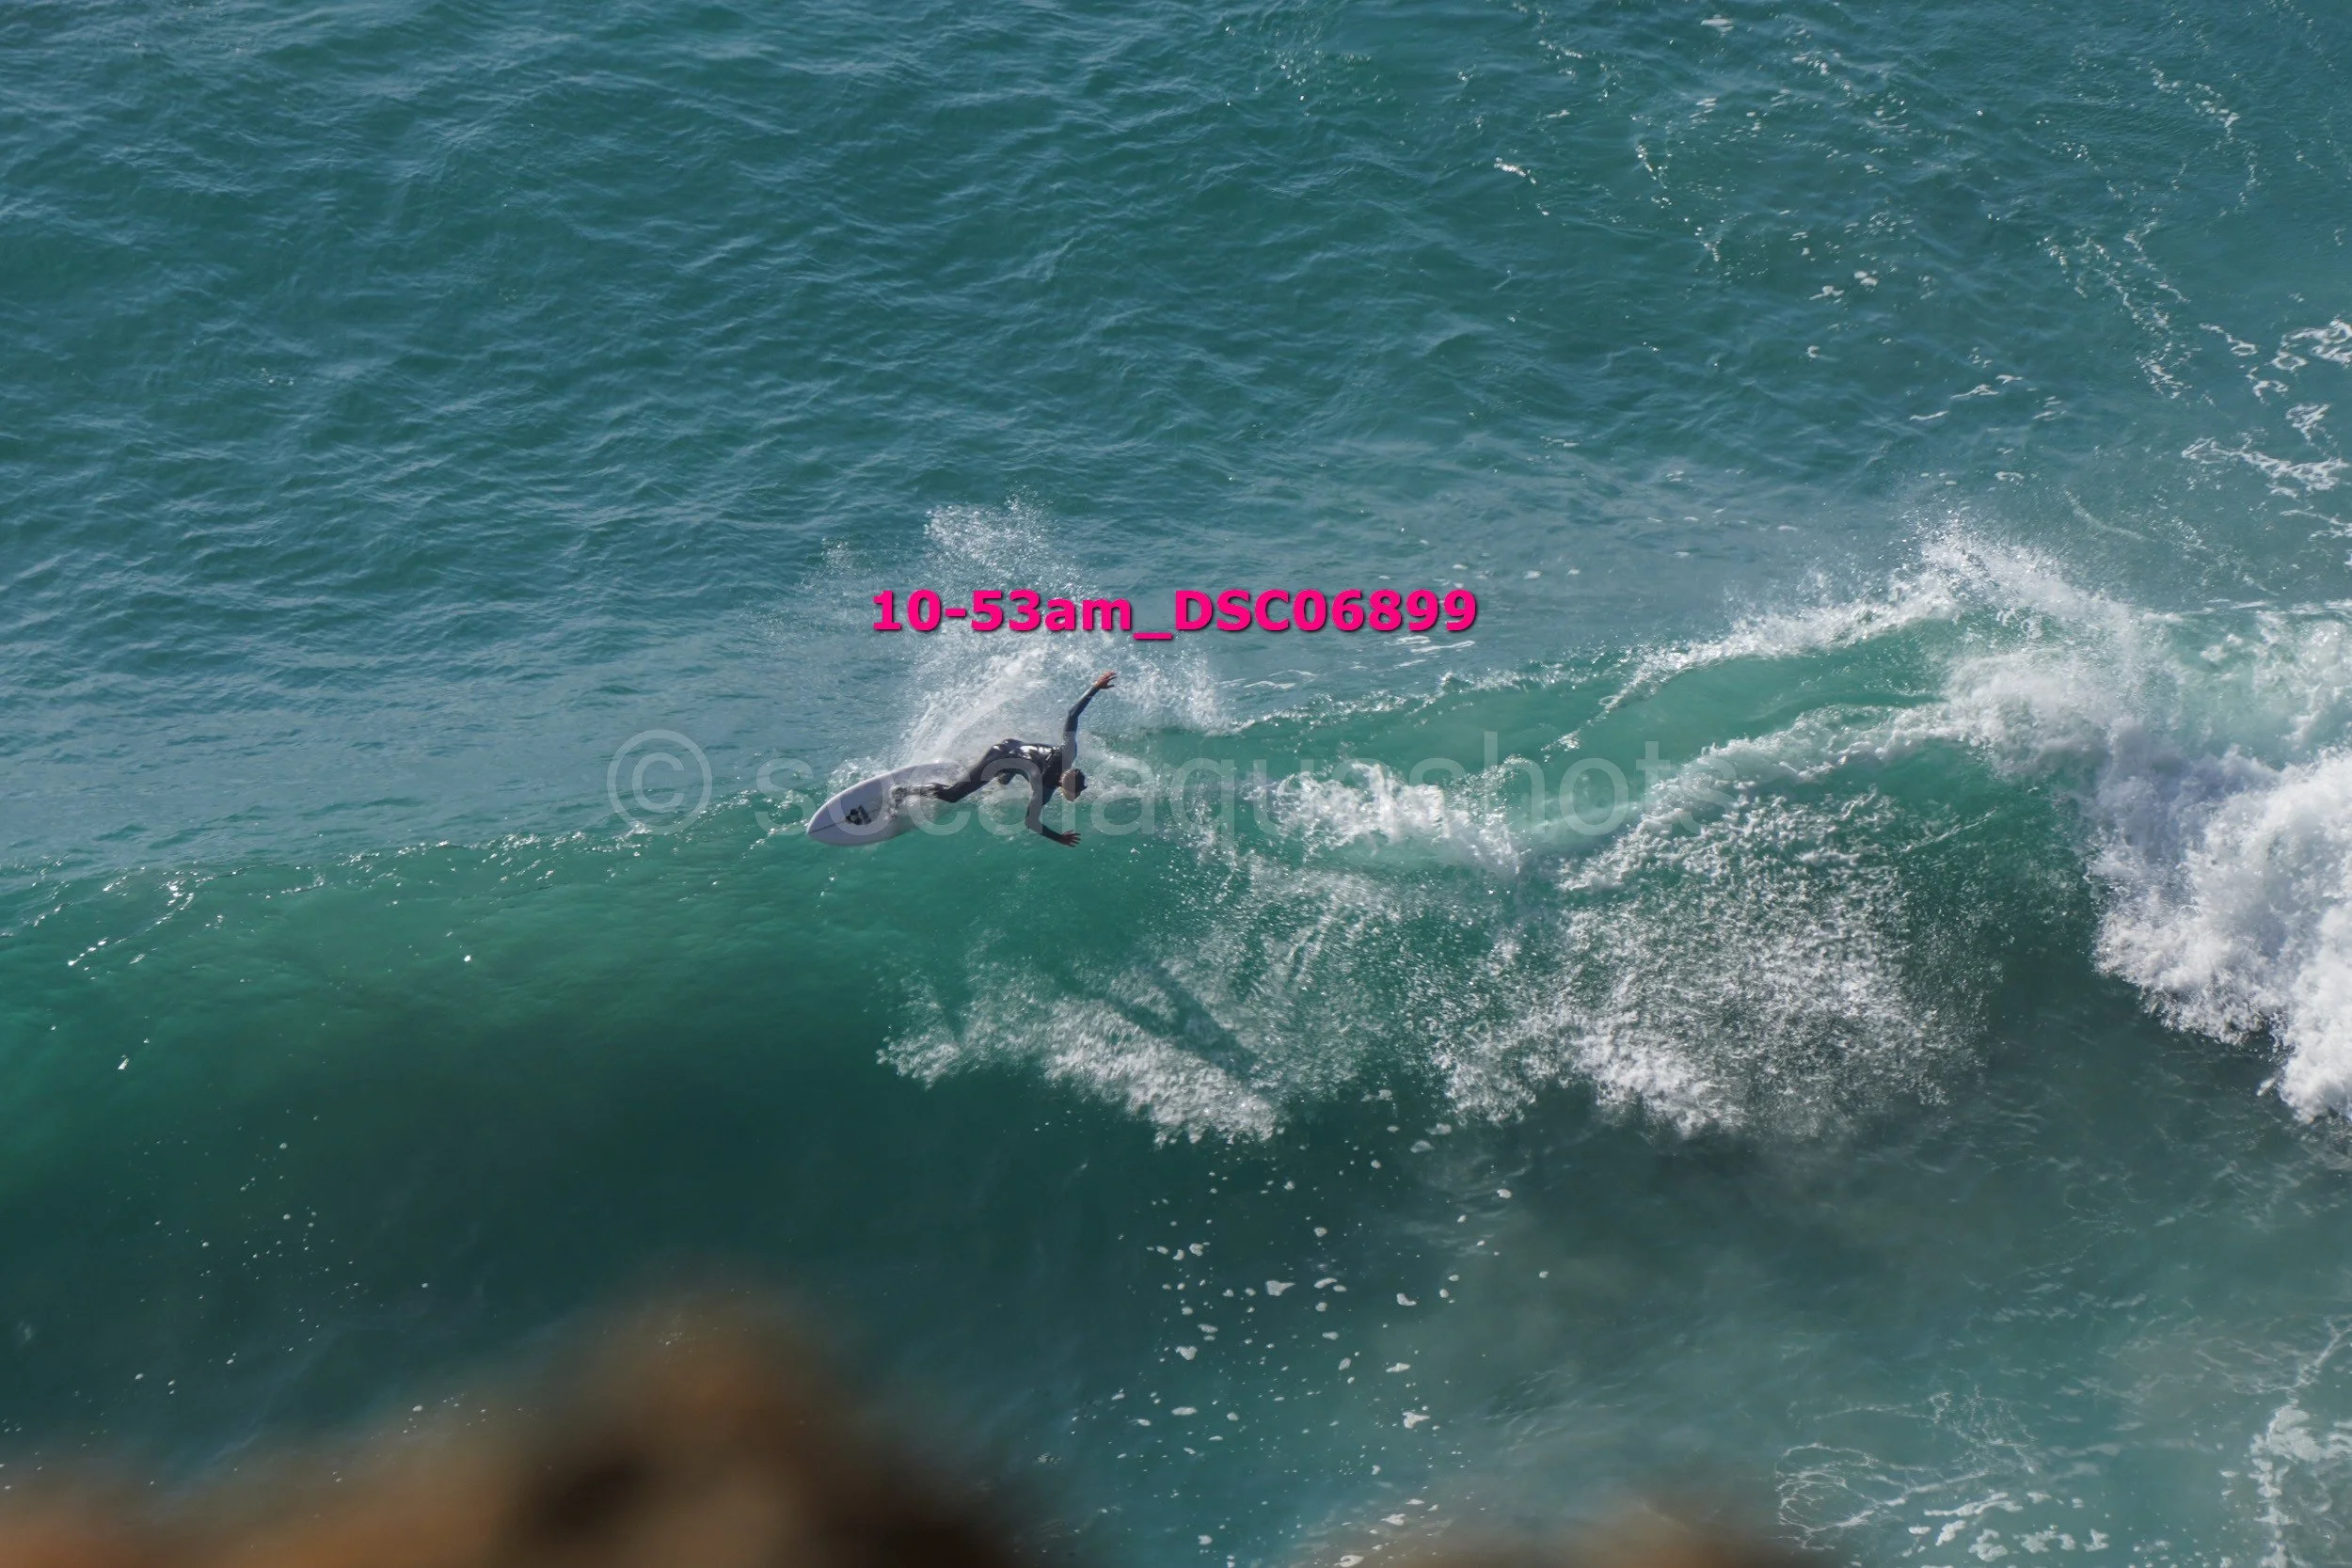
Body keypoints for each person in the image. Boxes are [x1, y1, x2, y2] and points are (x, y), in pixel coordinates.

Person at [898, 671, 1115, 847]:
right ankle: (904, 790)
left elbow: (1072, 715)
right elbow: (1030, 822)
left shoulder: (1068, 753)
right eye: (1076, 793)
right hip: (998, 758)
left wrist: (1095, 687)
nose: (1077, 796)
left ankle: (984, 774)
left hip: (1012, 746)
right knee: (953, 795)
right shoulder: (1043, 789)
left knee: (1004, 778)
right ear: (1064, 787)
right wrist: (1058, 838)